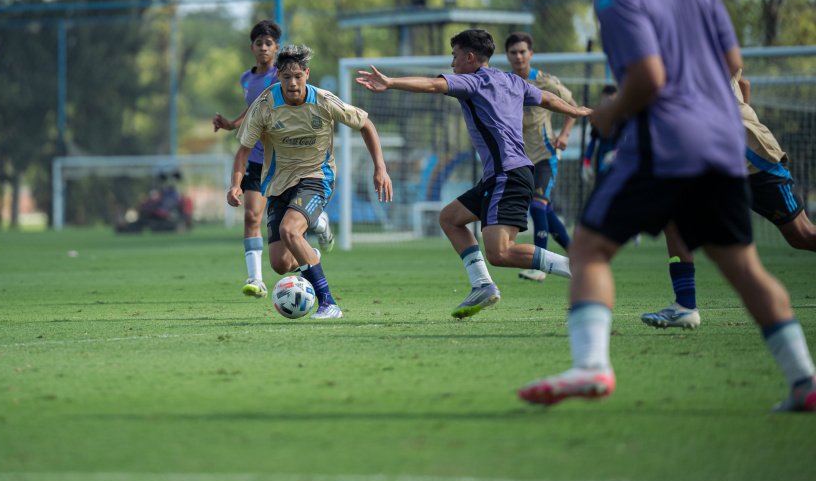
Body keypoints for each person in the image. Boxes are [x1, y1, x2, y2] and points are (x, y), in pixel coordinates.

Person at [518, 0, 816, 412]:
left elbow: (649, 78)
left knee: (588, 248)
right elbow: (732, 63)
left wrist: (608, 113)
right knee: (746, 265)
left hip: (666, 141)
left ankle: (591, 367)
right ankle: (803, 379)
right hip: (725, 139)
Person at [356, 29, 589, 319]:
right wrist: (573, 111)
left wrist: (391, 82)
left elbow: (431, 85)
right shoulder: (513, 80)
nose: (452, 65)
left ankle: (578, 269)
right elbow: (548, 99)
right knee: (450, 218)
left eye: (454, 57)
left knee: (500, 253)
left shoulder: (473, 82)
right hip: (502, 175)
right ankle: (482, 285)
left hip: (509, 175)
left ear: (469, 57)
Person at [227, 44, 392, 319]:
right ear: (277, 76)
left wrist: (380, 168)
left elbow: (365, 124)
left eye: (298, 76)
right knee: (280, 264)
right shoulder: (264, 106)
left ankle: (329, 303)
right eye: (286, 76)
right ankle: (314, 238)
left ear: (307, 74)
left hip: (317, 177)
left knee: (291, 231)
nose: (293, 83)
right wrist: (235, 185)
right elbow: (243, 152)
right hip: (278, 184)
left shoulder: (324, 100)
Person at [642, 70, 816, 330]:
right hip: (718, 164)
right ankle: (685, 306)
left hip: (754, 160)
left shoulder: (696, 53)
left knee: (800, 235)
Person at [214, 21, 334, 300]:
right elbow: (254, 110)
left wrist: (233, 124)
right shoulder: (246, 78)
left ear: (276, 48)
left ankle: (316, 227)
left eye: (268, 44)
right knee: (251, 216)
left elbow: (261, 106)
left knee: (284, 224)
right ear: (252, 47)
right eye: (259, 43)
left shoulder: (279, 77)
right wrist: (233, 126)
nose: (263, 48)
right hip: (255, 160)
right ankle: (257, 278)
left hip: (284, 161)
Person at [505, 32, 578, 281]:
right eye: (513, 52)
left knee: (537, 207)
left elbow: (573, 105)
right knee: (546, 213)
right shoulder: (505, 83)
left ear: (530, 54)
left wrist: (565, 134)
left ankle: (540, 267)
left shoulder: (545, 81)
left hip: (546, 155)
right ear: (507, 56)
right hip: (521, 159)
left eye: (522, 51)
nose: (518, 56)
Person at [581, 84, 619, 187]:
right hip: (601, 162)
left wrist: (617, 152)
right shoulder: (599, 117)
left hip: (618, 167)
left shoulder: (623, 118)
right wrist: (586, 161)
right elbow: (593, 140)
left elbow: (629, 141)